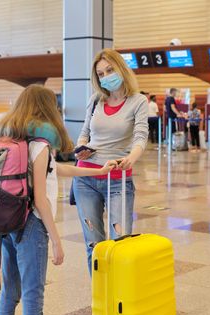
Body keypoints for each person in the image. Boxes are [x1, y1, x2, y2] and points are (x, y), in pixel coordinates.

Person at [0, 85, 118, 315]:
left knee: (9, 296)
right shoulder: (41, 144)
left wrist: (96, 171)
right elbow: (40, 200)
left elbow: (54, 169)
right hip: (32, 226)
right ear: (47, 108)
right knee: (33, 300)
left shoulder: (14, 141)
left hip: (7, 223)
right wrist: (57, 240)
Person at [73, 48, 148, 283]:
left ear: (121, 69)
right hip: (85, 177)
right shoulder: (95, 100)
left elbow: (140, 137)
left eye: (110, 70)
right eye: (101, 73)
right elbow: (84, 133)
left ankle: (119, 305)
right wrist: (81, 147)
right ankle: (100, 307)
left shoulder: (138, 101)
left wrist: (131, 159)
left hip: (117, 179)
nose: (106, 77)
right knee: (94, 245)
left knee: (119, 245)